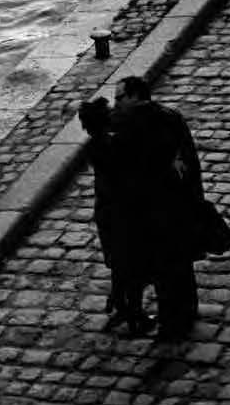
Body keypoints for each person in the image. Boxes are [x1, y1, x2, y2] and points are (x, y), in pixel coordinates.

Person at [111, 76, 205, 341]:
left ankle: (171, 324)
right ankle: (187, 312)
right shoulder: (171, 116)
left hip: (153, 211)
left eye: (120, 98)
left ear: (135, 96)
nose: (116, 104)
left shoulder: (131, 126)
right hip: (178, 205)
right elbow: (190, 159)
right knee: (181, 264)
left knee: (162, 268)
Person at [78, 97, 154, 334]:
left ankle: (120, 303)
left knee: (119, 263)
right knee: (134, 264)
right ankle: (135, 313)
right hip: (124, 212)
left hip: (106, 212)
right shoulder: (116, 146)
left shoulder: (93, 147)